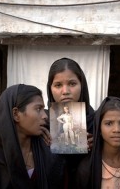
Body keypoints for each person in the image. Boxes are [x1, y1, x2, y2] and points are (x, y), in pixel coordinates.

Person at [0, 84, 65, 189]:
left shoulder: (46, 149)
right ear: (16, 114)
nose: (45, 115)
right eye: (38, 109)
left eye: (43, 109)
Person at [46, 57, 95, 188]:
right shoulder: (41, 123)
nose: (65, 91)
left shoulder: (97, 121)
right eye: (58, 85)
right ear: (50, 88)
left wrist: (100, 145)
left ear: (82, 85)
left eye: (72, 84)